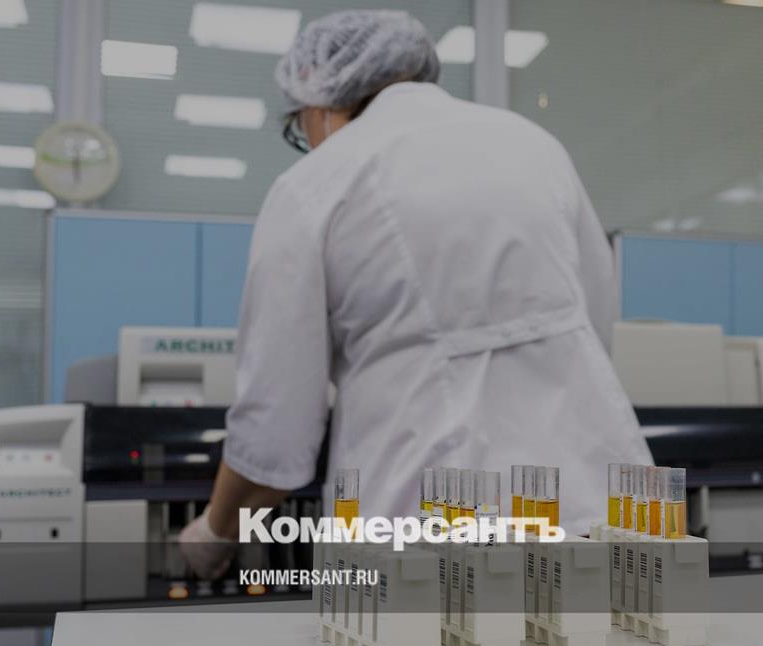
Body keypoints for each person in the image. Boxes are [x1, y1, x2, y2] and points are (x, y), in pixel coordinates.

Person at [179, 10, 652, 579]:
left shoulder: (316, 183)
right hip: (590, 499)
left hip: (423, 516)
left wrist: (213, 534)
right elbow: (594, 323)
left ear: (318, 103)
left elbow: (276, 427)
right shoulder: (534, 145)